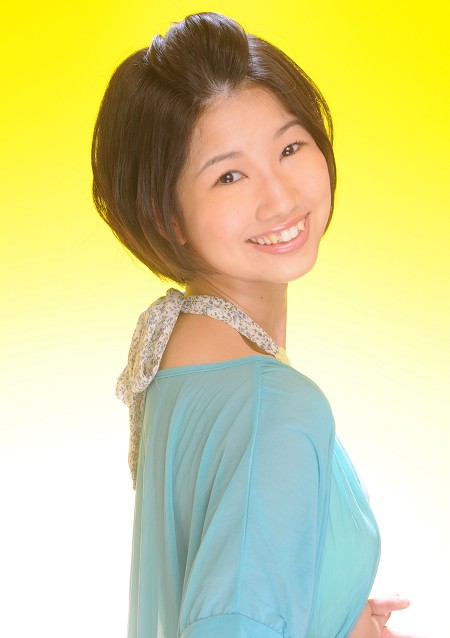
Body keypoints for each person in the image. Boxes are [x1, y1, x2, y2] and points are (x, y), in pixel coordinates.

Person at [91, 12, 415, 638]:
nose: (281, 198)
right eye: (230, 175)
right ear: (165, 217)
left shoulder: (180, 349)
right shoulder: (274, 402)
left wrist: (333, 604)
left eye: (290, 148)